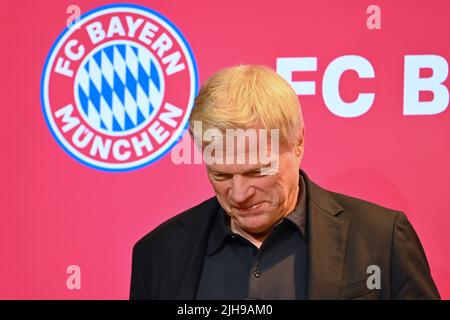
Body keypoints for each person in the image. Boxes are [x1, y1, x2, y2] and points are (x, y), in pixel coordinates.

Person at [130, 65, 440, 300]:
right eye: (220, 175)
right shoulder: (157, 254)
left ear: (299, 143)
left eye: (257, 171)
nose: (239, 194)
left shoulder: (381, 239)